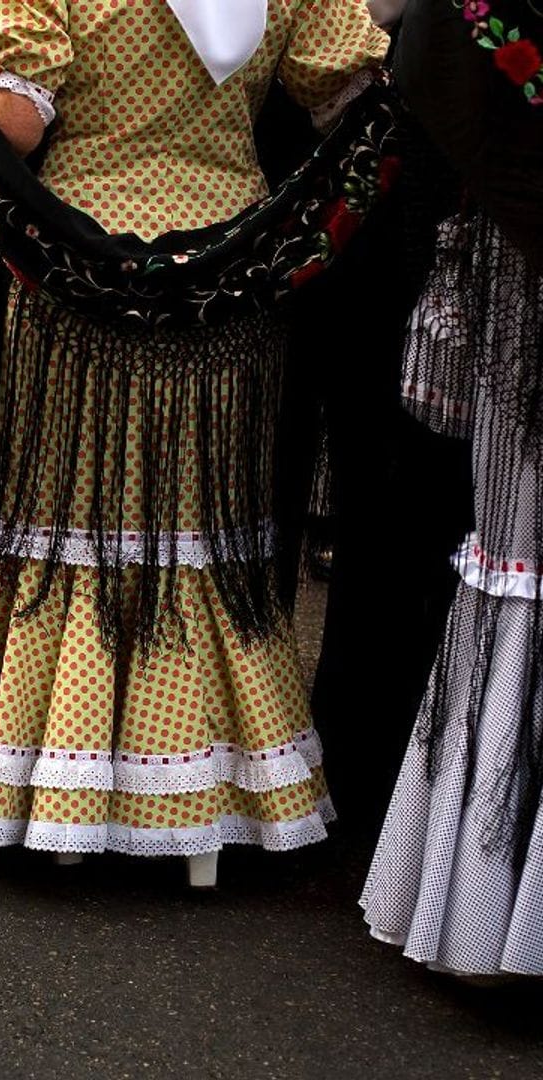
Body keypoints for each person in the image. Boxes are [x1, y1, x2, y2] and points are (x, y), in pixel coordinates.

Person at [0, 0, 391, 882]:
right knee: (196, 525)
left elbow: (14, 121)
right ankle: (195, 806)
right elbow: (356, 105)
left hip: (73, 269)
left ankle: (58, 798)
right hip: (232, 270)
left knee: (68, 513)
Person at [361, 0, 543, 978]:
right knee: (525, 550)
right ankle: (491, 910)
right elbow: (432, 46)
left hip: (517, 237)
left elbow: (423, 46)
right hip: (522, 252)